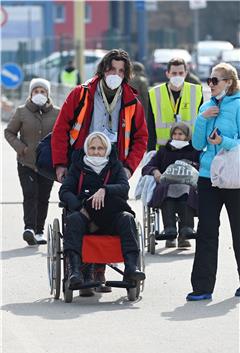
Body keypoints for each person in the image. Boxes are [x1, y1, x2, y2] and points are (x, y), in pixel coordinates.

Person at [51, 48, 148, 291]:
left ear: (125, 75)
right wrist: (61, 163)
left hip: (114, 162)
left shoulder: (131, 102)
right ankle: (81, 272)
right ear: (103, 69)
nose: (114, 74)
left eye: (120, 71)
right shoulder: (81, 94)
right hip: (82, 157)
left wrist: (127, 168)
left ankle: (100, 271)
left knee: (111, 211)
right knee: (81, 211)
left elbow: (141, 138)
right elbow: (62, 128)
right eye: (111, 69)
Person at [59, 132, 145, 290]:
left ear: (106, 150)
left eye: (100, 148)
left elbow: (124, 188)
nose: (96, 151)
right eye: (92, 148)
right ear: (86, 149)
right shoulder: (77, 167)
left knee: (127, 218)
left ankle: (131, 269)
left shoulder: (115, 166)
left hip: (110, 215)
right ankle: (75, 271)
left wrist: (105, 189)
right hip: (86, 217)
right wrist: (79, 207)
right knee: (73, 220)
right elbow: (65, 191)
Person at [186, 63, 240, 301]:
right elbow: (198, 145)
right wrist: (201, 118)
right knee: (206, 230)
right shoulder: (206, 107)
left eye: (215, 80)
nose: (211, 84)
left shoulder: (239, 104)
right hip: (209, 176)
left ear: (229, 82)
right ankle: (202, 287)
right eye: (209, 80)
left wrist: (224, 140)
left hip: (235, 176)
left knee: (238, 230)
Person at [4, 78, 60, 245]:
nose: (39, 94)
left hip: (47, 164)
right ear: (30, 94)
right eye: (36, 91)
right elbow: (9, 132)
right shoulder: (22, 111)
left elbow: (62, 135)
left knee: (43, 197)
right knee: (30, 194)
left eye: (43, 91)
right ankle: (29, 228)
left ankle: (39, 231)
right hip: (26, 163)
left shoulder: (57, 113)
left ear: (48, 94)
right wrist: (21, 148)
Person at [142, 122, 199, 248]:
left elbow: (203, 167)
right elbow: (148, 167)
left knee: (187, 191)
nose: (177, 137)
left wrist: (193, 167)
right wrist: (155, 171)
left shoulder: (194, 151)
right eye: (175, 134)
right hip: (167, 184)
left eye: (180, 134)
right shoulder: (164, 151)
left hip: (187, 184)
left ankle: (186, 229)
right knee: (166, 191)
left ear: (187, 136)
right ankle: (170, 229)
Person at [147, 57, 203, 151]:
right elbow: (150, 126)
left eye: (181, 73)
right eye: (174, 73)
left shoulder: (196, 91)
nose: (177, 76)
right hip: (164, 150)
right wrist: (150, 151)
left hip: (189, 149)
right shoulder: (155, 93)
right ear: (167, 74)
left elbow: (201, 124)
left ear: (186, 73)